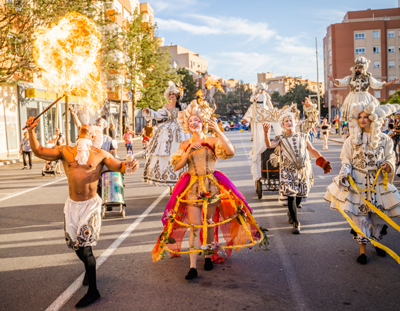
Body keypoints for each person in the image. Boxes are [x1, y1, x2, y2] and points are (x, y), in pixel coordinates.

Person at [25, 116, 139, 308]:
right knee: (76, 246)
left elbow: (120, 167)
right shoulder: (65, 150)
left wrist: (130, 166)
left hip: (90, 206)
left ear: (95, 135)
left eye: (90, 128)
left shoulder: (101, 154)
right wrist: (31, 130)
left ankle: (93, 291)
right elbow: (39, 151)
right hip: (72, 205)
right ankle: (88, 268)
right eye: (82, 128)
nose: (85, 128)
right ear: (78, 134)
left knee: (86, 248)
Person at [151, 99, 264, 280]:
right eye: (190, 121)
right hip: (192, 186)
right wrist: (188, 151)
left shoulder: (212, 141)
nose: (193, 123)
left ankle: (209, 256)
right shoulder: (184, 144)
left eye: (197, 120)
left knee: (210, 222)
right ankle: (192, 266)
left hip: (211, 185)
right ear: (187, 125)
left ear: (203, 122)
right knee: (195, 226)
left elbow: (230, 151)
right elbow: (176, 167)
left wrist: (219, 131)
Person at [324, 102, 400, 265]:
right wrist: (344, 174)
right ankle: (363, 251)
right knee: (360, 217)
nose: (362, 120)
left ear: (373, 119)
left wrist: (388, 165)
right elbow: (347, 160)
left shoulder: (385, 139)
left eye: (366, 117)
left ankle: (377, 242)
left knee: (379, 217)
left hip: (378, 183)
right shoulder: (352, 140)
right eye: (360, 117)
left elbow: (390, 157)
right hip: (358, 183)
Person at [263, 106, 332, 234]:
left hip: (303, 171)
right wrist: (266, 133)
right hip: (288, 170)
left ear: (295, 122)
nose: (289, 123)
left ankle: (291, 213)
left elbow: (312, 150)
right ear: (283, 125)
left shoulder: (303, 135)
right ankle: (295, 222)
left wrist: (323, 162)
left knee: (300, 195)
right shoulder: (280, 138)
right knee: (291, 195)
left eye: (291, 120)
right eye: (286, 121)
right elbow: (269, 145)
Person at [142, 81, 191, 187]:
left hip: (181, 129)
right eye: (170, 94)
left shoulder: (183, 106)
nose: (172, 95)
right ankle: (171, 181)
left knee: (182, 150)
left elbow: (189, 116)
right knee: (166, 152)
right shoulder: (166, 106)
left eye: (173, 94)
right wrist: (149, 112)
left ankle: (183, 178)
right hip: (168, 129)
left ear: (178, 95)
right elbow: (158, 115)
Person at [328, 56, 398, 123]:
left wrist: (390, 82)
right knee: (353, 117)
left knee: (366, 114)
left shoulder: (368, 78)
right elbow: (341, 82)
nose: (357, 69)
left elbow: (377, 84)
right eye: (356, 67)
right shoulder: (351, 78)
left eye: (360, 67)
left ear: (364, 68)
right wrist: (332, 80)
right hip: (352, 98)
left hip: (364, 98)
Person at [243, 83, 282, 187]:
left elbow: (269, 104)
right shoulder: (255, 94)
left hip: (264, 112)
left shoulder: (266, 95)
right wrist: (255, 98)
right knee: (259, 131)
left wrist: (273, 112)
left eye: (263, 89)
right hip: (257, 112)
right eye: (261, 89)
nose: (262, 90)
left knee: (267, 127)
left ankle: (266, 137)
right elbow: (252, 100)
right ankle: (260, 139)